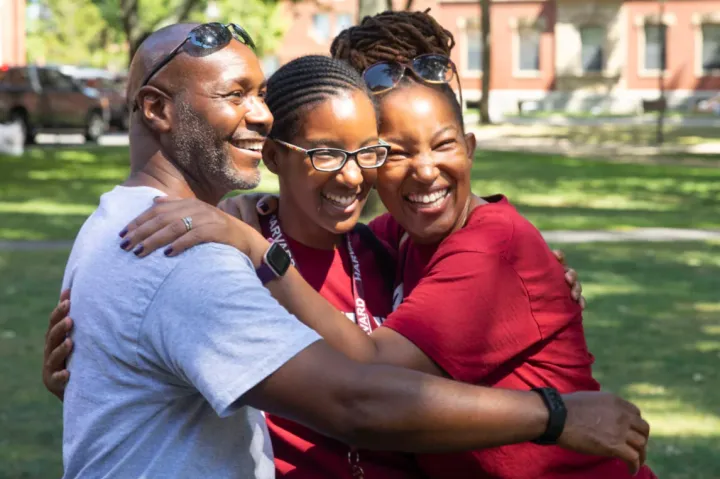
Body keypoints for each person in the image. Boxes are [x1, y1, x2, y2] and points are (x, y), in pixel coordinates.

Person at [59, 13, 655, 479]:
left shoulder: (393, 245)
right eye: (389, 150)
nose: (357, 174)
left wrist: (543, 278)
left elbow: (392, 355)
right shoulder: (201, 244)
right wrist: (98, 369)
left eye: (367, 152)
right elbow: (355, 397)